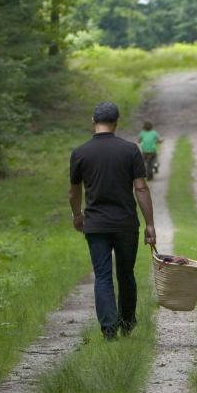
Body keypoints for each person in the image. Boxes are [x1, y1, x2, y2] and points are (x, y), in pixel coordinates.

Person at [69, 102, 157, 340]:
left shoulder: (80, 153)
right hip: (126, 224)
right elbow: (141, 188)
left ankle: (109, 330)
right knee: (126, 273)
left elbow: (74, 191)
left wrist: (78, 215)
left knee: (103, 275)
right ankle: (127, 324)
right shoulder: (130, 150)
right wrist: (149, 224)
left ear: (93, 121)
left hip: (96, 225)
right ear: (116, 123)